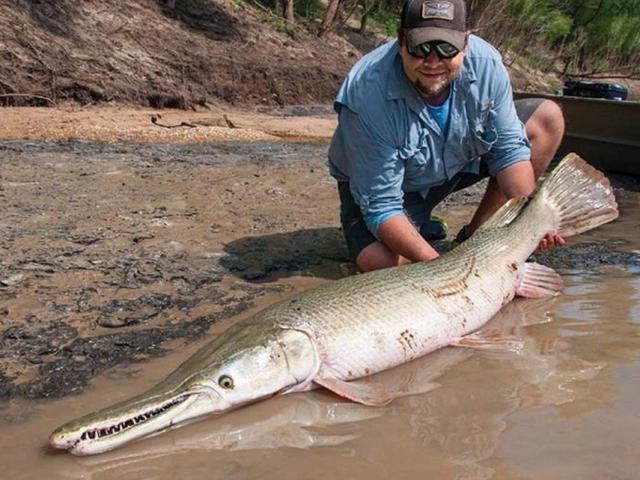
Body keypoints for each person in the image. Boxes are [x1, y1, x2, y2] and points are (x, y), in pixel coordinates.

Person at [328, 0, 566, 272]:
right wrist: (445, 270)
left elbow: (509, 152)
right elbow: (382, 205)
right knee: (379, 263)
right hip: (393, 186)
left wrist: (529, 222)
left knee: (547, 117)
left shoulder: (487, 64)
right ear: (400, 40)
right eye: (420, 48)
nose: (432, 62)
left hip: (455, 164)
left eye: (446, 49)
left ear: (466, 43)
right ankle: (421, 229)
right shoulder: (366, 91)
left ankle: (477, 236)